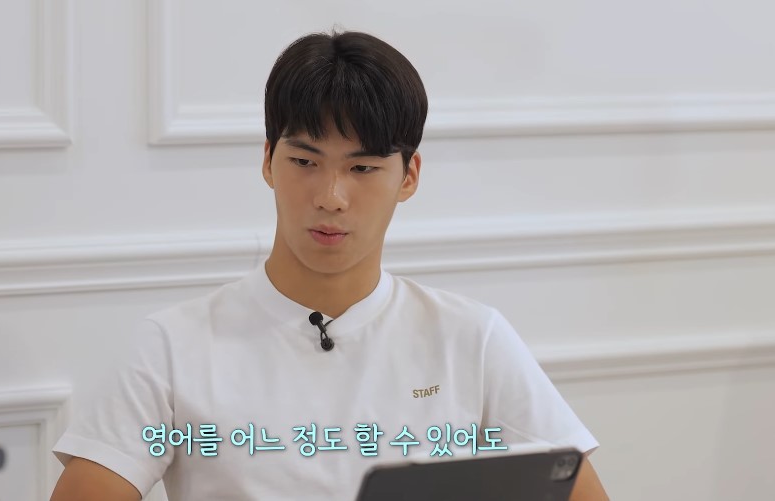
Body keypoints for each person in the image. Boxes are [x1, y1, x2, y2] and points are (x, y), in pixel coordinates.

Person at [50, 30, 609, 501]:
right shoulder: (173, 345)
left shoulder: (470, 338)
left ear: (409, 176)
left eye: (362, 168)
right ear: (268, 161)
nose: (331, 197)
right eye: (304, 161)